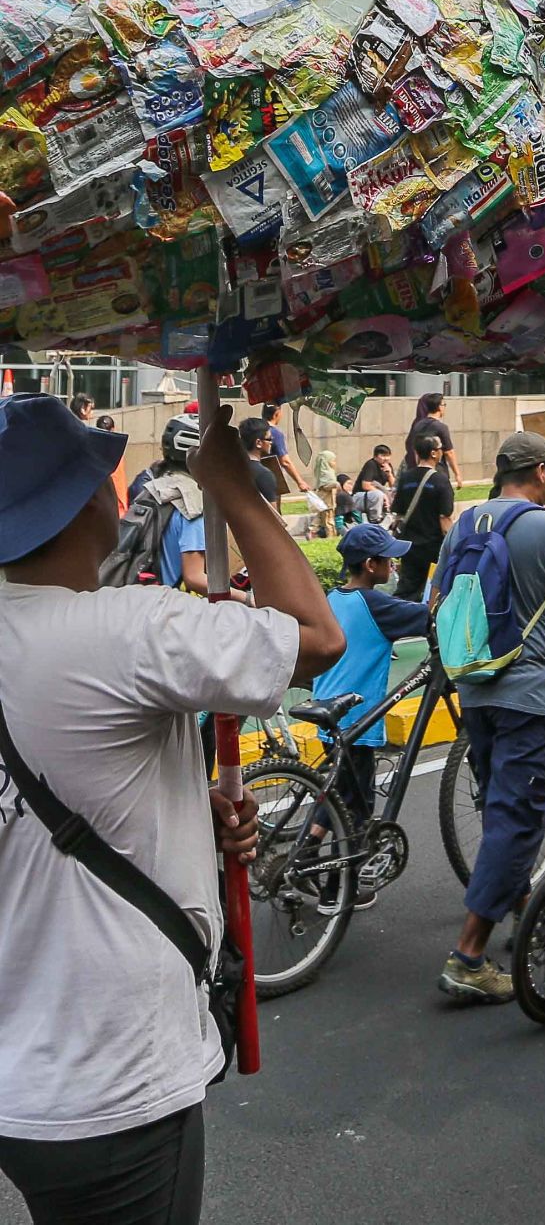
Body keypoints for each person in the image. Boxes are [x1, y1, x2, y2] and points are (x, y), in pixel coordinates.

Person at [0, 394, 344, 1225]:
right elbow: (316, 636)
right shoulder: (126, 630)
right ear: (93, 500)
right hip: (112, 1080)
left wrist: (185, 817)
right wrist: (230, 483)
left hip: (22, 1070)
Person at [433, 431, 545, 1006]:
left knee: (498, 805)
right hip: (526, 691)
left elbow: (439, 599)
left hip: (476, 687)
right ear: (539, 472)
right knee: (519, 818)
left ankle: (525, 909)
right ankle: (469, 955)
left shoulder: (464, 525)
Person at [308, 523, 429, 909]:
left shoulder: (334, 596)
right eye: (388, 559)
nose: (394, 565)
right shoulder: (377, 605)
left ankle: (309, 849)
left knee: (338, 793)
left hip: (328, 712)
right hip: (357, 718)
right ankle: (336, 890)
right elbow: (429, 617)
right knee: (358, 810)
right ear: (371, 564)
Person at [124, 415, 208, 592]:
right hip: (170, 607)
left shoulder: (155, 487)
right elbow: (194, 578)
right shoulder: (192, 504)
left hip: (141, 597)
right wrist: (247, 600)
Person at [390, 427, 455, 599]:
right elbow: (445, 521)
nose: (442, 452)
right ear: (434, 453)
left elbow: (398, 515)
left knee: (406, 592)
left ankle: (401, 623)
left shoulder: (405, 478)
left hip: (409, 548)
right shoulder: (441, 481)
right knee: (433, 594)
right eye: (440, 448)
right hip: (433, 549)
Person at [404, 391, 462, 488]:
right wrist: (457, 474)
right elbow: (449, 452)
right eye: (444, 405)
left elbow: (414, 449)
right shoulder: (441, 427)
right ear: (439, 407)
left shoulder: (418, 425)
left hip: (420, 471)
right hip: (437, 470)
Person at [260, 400, 309, 496]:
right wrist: (300, 482)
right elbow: (285, 461)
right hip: (269, 479)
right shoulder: (274, 433)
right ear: (276, 414)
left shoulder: (252, 428)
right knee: (272, 509)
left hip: (249, 476)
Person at [238, 417, 282, 511]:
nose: (271, 443)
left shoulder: (233, 469)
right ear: (258, 443)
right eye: (269, 439)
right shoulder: (264, 474)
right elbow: (273, 517)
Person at [96, 413, 128, 513]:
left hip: (103, 506)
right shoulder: (118, 450)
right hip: (118, 506)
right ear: (113, 429)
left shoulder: (94, 450)